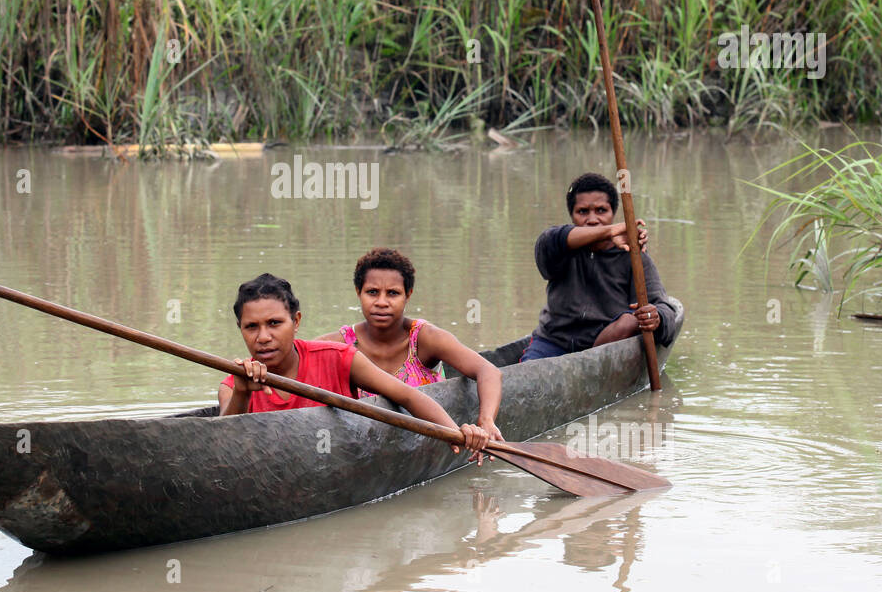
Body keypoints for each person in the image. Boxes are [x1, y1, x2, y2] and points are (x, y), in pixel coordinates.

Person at [220, 273, 490, 460]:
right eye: (251, 327)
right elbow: (223, 444)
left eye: (275, 323)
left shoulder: (337, 357)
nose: (263, 337)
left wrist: (454, 434)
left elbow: (406, 395)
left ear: (296, 321)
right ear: (240, 329)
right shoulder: (234, 382)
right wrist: (243, 392)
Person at [315, 247, 504, 446]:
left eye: (393, 293)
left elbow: (488, 371)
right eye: (372, 292)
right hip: (363, 443)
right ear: (358, 293)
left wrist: (486, 421)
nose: (381, 302)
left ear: (408, 295)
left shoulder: (424, 338)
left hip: (430, 438)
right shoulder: (339, 344)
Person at [520, 172, 678, 361]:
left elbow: (665, 309)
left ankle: (587, 365)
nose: (592, 219)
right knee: (528, 373)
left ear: (613, 213)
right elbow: (549, 239)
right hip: (553, 342)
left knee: (630, 320)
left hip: (606, 346)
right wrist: (610, 231)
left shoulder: (634, 258)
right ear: (572, 216)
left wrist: (655, 317)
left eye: (601, 211)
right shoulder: (558, 248)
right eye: (583, 211)